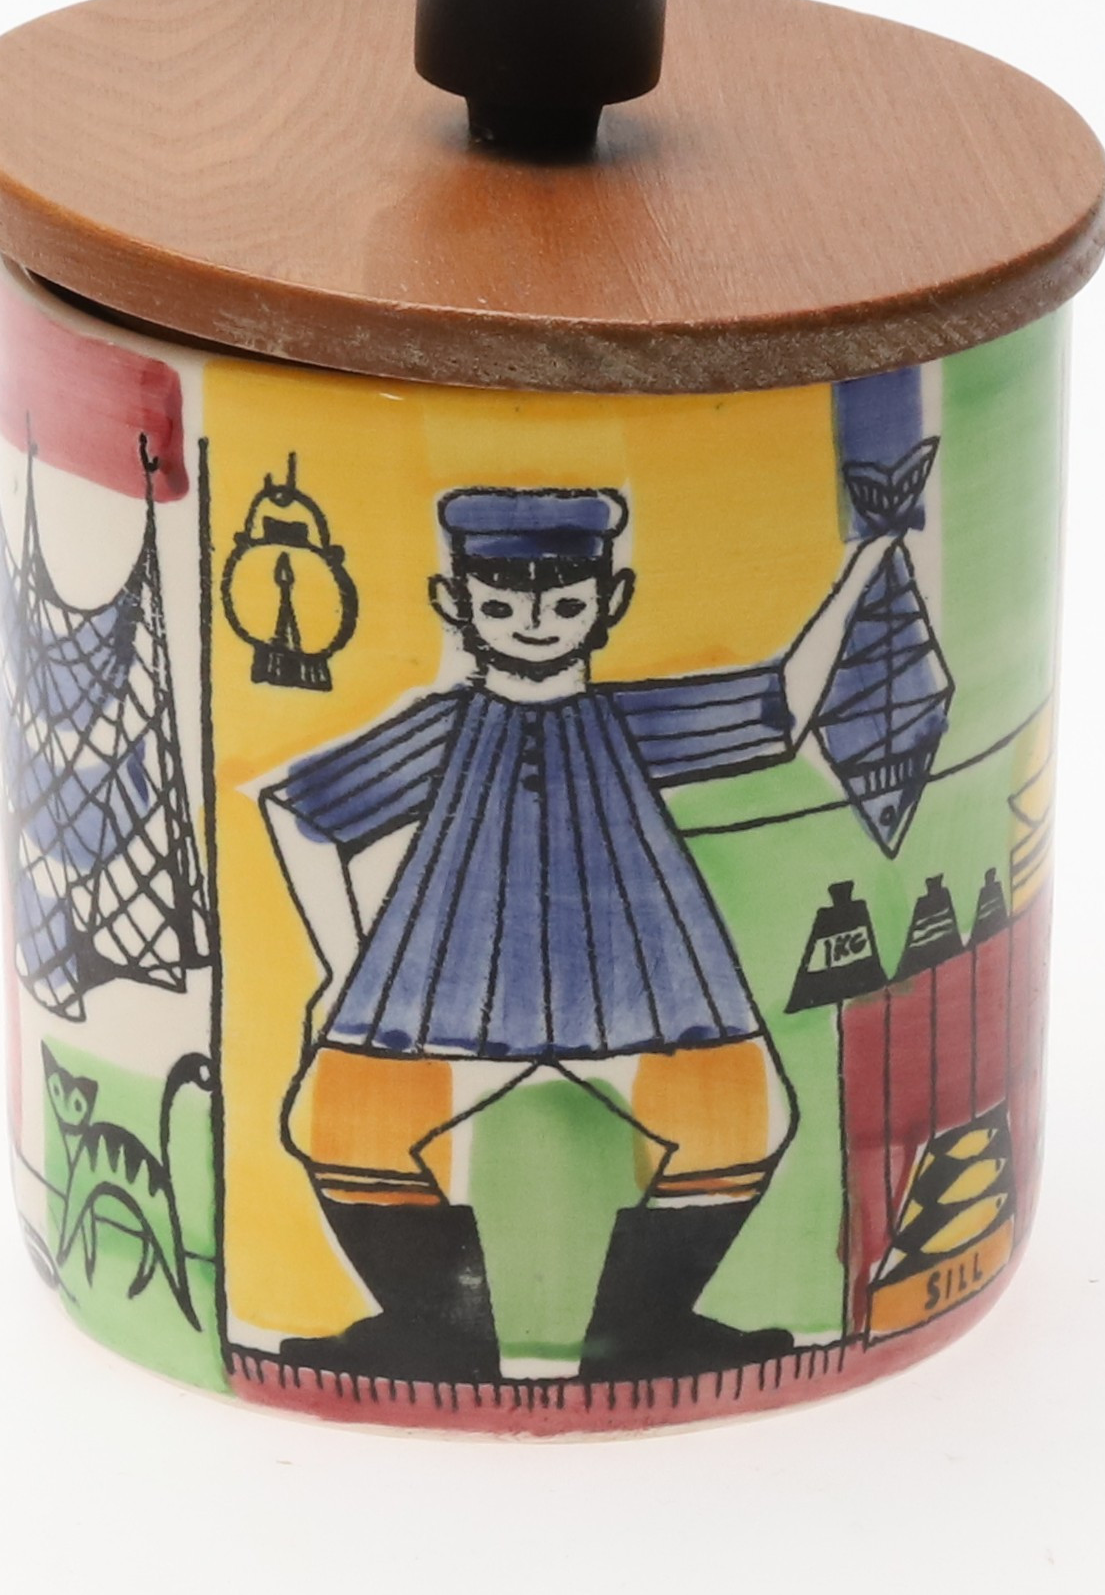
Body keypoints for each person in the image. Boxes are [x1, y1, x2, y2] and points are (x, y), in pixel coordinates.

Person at [260, 487, 893, 1381]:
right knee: (342, 1128)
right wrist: (343, 962)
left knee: (742, 1122)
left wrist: (871, 555)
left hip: (643, 974)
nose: (533, 622)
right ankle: (439, 1331)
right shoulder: (444, 729)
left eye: (564, 604)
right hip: (444, 976)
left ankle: (641, 1332)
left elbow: (782, 708)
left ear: (610, 602)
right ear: (454, 604)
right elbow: (300, 812)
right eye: (501, 605)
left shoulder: (632, 721)